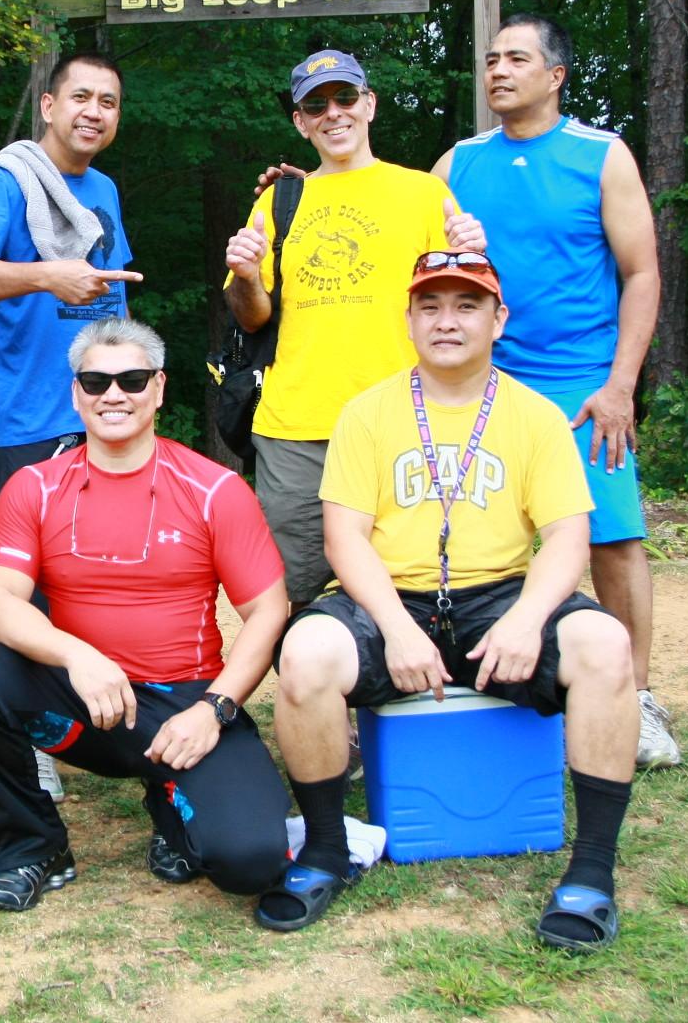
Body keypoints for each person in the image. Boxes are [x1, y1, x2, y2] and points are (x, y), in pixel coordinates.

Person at [266, 252, 638, 953]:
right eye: (430, 305)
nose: (446, 320)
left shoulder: (536, 416)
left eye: (467, 305)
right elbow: (345, 538)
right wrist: (398, 630)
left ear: (499, 320)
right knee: (306, 652)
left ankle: (592, 872)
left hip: (497, 594)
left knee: (605, 646)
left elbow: (567, 536)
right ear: (407, 319)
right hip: (391, 593)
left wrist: (528, 619)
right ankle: (322, 851)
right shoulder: (367, 413)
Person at [0, 318, 292, 913]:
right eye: (96, 381)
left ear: (159, 388)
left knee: (250, 861)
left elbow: (268, 610)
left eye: (132, 379)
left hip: (185, 703)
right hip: (85, 698)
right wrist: (78, 655)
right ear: (76, 394)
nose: (113, 394)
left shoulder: (214, 488)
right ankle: (31, 846)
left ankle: (172, 804)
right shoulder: (35, 487)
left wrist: (214, 708)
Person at [433, 14, 679, 770]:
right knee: (468, 537)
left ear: (555, 74)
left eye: (516, 59)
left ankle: (633, 700)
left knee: (612, 539)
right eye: (490, 59)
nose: (498, 70)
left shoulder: (600, 155)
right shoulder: (456, 164)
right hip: (481, 379)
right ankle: (469, 683)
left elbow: (642, 273)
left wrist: (620, 386)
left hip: (580, 382)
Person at [0, 51, 141, 801]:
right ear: (50, 105)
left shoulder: (106, 189)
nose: (95, 111)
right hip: (31, 421)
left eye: (110, 101)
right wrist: (44, 275)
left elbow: (109, 296)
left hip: (108, 412)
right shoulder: (8, 180)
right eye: (81, 96)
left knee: (102, 580)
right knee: (24, 598)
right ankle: (26, 738)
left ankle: (93, 713)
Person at [225, 49, 483, 609]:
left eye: (345, 97)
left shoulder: (423, 194)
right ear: (300, 121)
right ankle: (307, 691)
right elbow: (253, 316)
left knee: (409, 577)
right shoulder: (278, 201)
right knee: (292, 588)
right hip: (296, 426)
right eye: (315, 105)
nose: (333, 113)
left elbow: (460, 311)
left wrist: (470, 260)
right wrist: (246, 275)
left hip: (403, 418)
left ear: (369, 104)